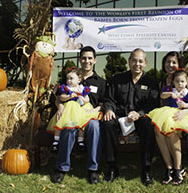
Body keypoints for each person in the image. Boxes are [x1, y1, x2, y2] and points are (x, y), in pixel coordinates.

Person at [102, 48, 159, 186]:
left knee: (149, 126)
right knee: (108, 123)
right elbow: (109, 99)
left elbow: (153, 104)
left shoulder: (151, 82)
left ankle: (146, 169)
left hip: (140, 116)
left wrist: (139, 114)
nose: (137, 64)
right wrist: (109, 109)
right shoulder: (118, 79)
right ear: (129, 61)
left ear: (145, 63)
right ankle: (112, 167)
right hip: (120, 115)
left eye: (140, 61)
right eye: (134, 60)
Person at [146, 51, 188, 185]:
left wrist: (184, 112)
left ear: (179, 64)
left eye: (174, 62)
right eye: (168, 62)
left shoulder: (186, 80)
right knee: (159, 132)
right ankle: (169, 167)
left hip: (183, 115)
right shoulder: (162, 83)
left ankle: (178, 169)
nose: (170, 65)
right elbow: (162, 101)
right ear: (164, 64)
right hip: (167, 115)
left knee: (171, 133)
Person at [51, 46, 106, 184]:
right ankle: (61, 168)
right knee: (69, 127)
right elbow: (58, 97)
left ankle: (93, 169)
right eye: (84, 58)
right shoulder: (70, 78)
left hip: (89, 115)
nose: (86, 61)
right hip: (71, 113)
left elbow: (104, 103)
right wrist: (60, 106)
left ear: (94, 60)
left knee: (94, 126)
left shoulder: (101, 82)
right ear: (80, 59)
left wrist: (95, 110)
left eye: (89, 58)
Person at [46, 67, 101, 152]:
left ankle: (80, 141)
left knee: (82, 124)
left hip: (80, 110)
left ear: (79, 79)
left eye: (71, 78)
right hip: (69, 110)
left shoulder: (82, 88)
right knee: (60, 122)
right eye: (67, 78)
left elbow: (87, 99)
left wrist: (82, 98)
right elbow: (61, 97)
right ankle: (56, 140)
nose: (69, 81)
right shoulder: (67, 88)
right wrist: (68, 97)